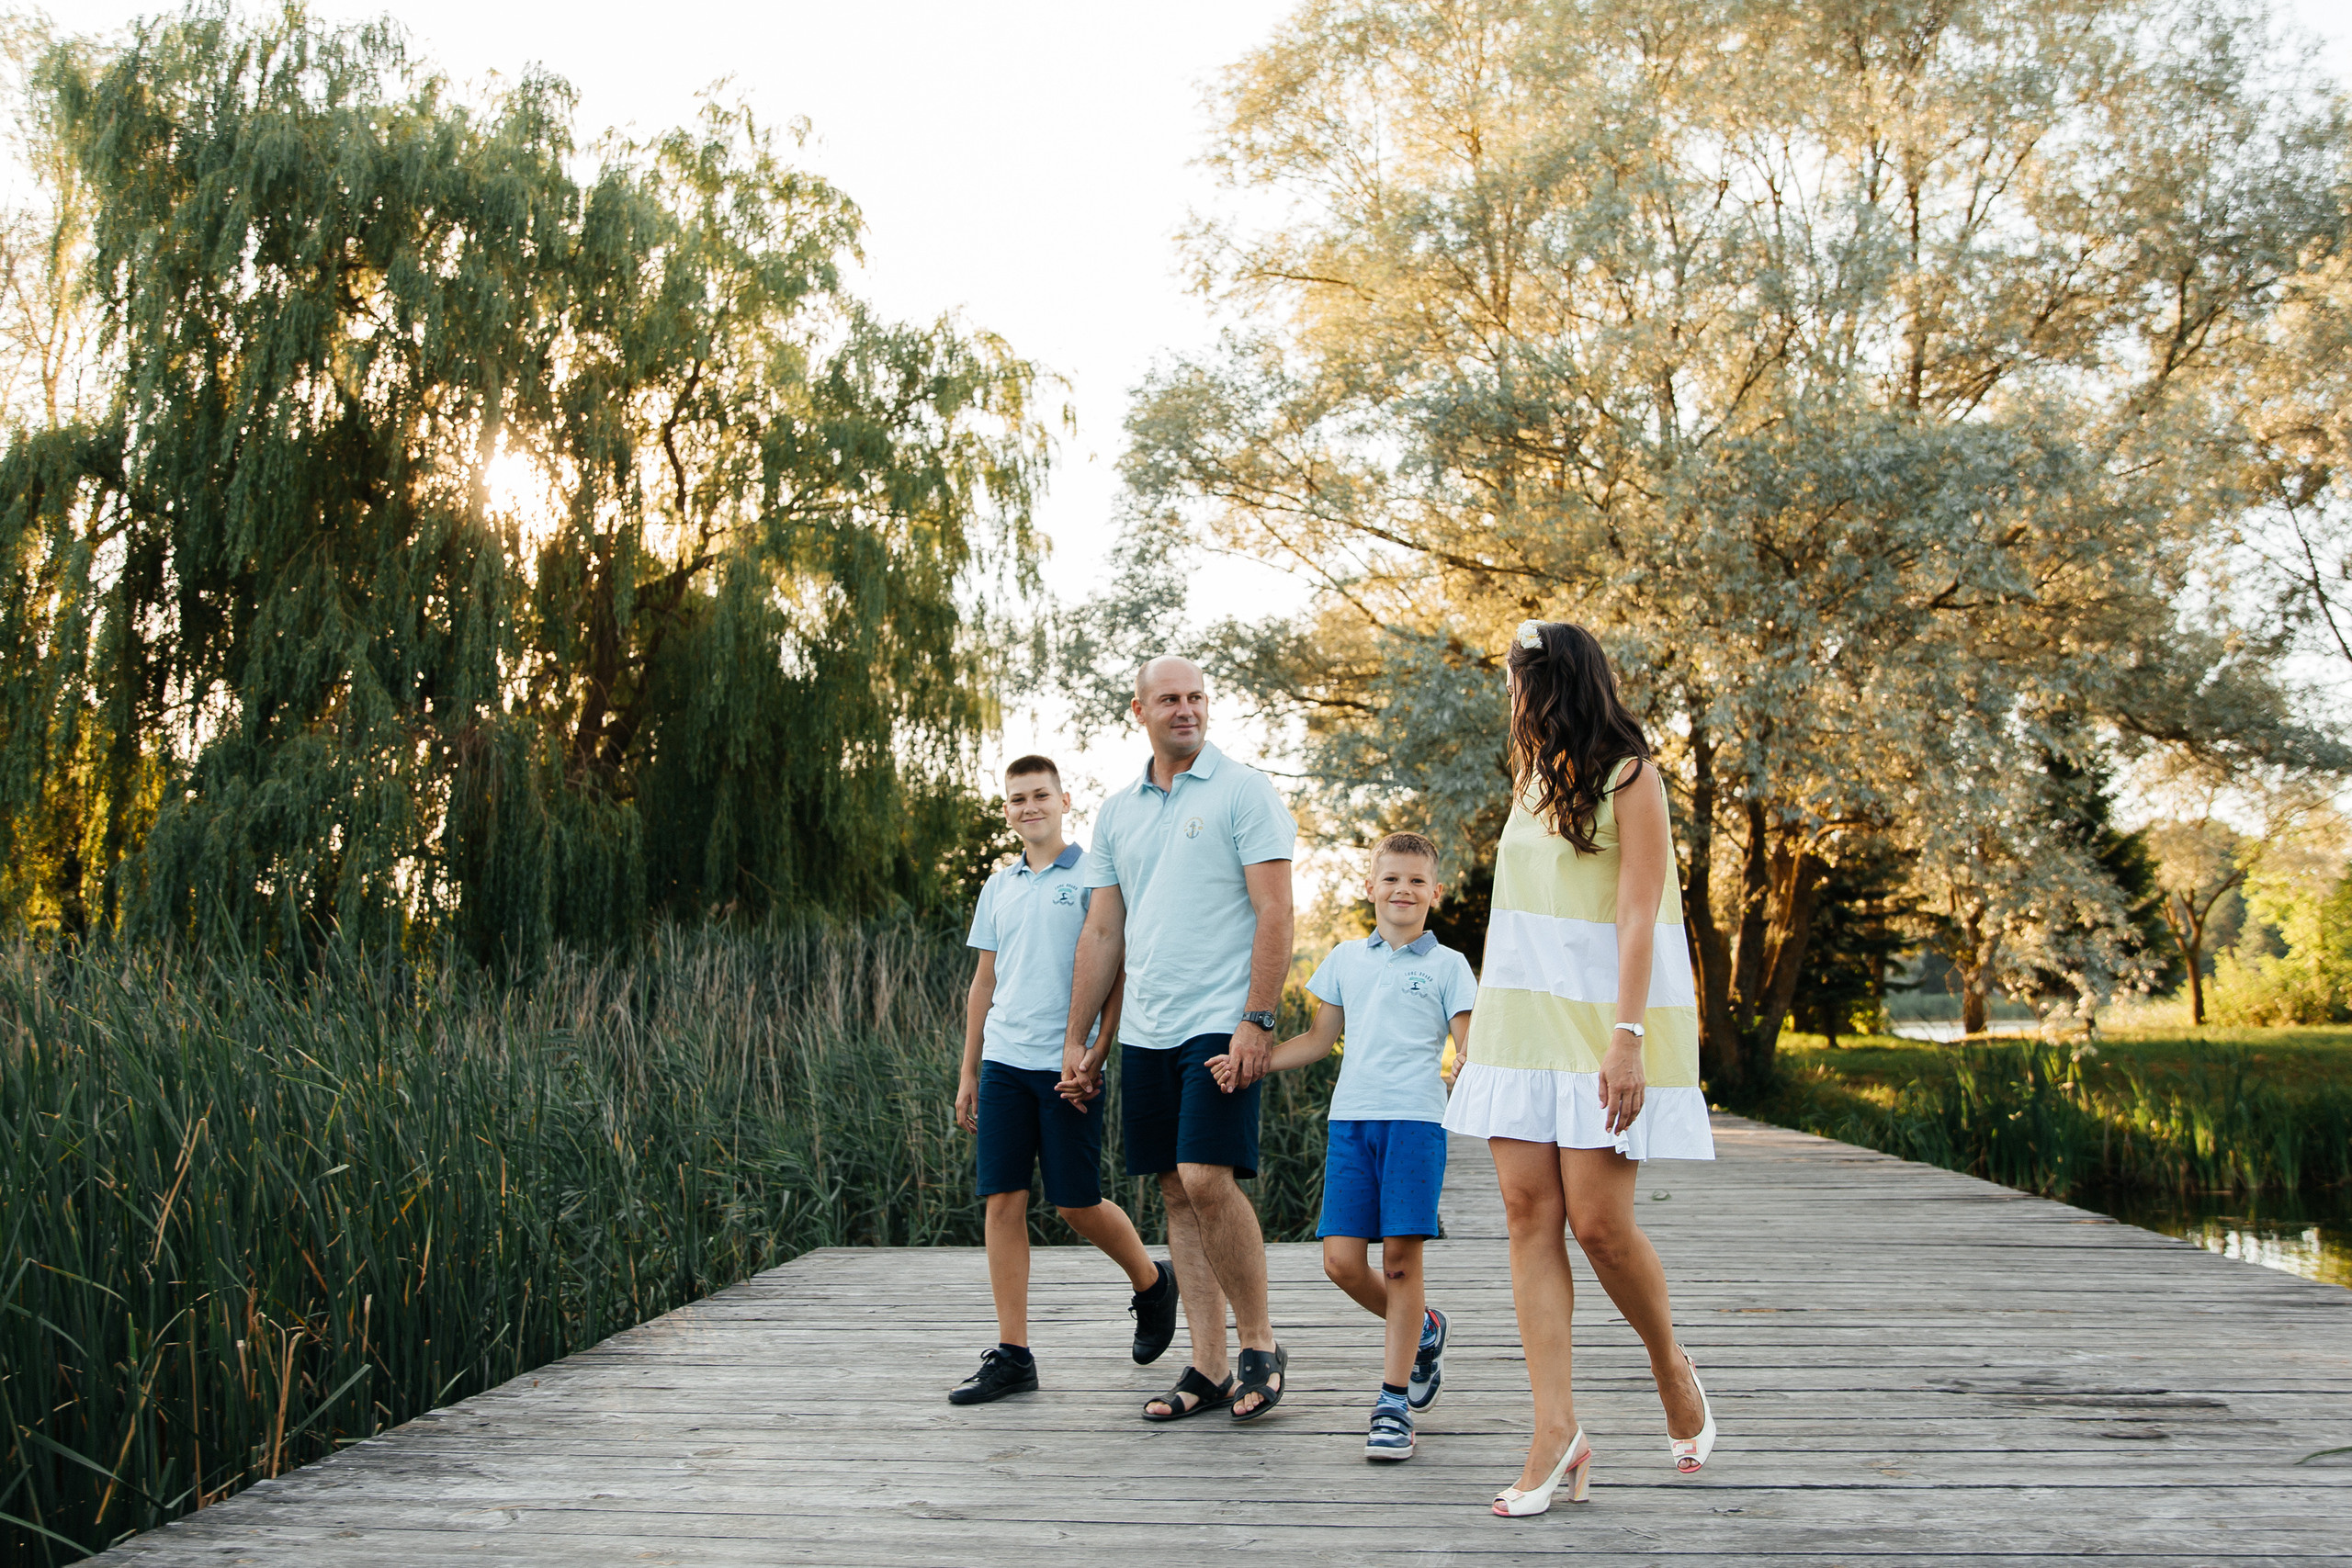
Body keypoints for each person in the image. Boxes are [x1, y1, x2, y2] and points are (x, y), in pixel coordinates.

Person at [1442, 620, 1717, 1517]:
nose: (1509, 698)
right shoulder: (1527, 780)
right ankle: (1554, 1431)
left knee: (1597, 1226)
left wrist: (1628, 1037)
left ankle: (1668, 1363)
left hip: (1603, 1025)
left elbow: (1639, 914)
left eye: (1516, 682)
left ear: (1550, 683)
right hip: (1520, 1024)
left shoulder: (1631, 776)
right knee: (1528, 1214)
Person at [1058, 656, 1297, 1424]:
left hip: (1220, 1021)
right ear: (1141, 711)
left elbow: (1276, 912)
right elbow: (1103, 928)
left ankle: (1260, 1344)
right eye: (1170, 698)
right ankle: (1208, 1365)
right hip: (1149, 1029)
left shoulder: (1244, 789)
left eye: (1197, 696)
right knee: (1172, 1186)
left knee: (1204, 1175)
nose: (1186, 708)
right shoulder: (1117, 810)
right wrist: (1083, 1037)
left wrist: (1258, 1019)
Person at [1208, 831, 1474, 1462]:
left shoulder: (1449, 965)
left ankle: (1392, 1402)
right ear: (1370, 887)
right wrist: (1257, 1062)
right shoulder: (1347, 959)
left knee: (1403, 1261)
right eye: (1391, 879)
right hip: (1350, 1124)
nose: (1402, 890)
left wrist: (1468, 1061)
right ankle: (1425, 1329)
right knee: (1341, 1264)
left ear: (1435, 892)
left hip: (1415, 1123)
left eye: (1415, 881)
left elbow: (1471, 1041)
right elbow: (1320, 1039)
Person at [948, 754, 1180, 1405]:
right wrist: (969, 1070)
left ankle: (1152, 1281)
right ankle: (1014, 1353)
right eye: (1017, 798)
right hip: (1002, 1063)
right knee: (1002, 1201)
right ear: (1006, 810)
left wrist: (1098, 1051)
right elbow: (983, 984)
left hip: (1065, 1066)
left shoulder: (1093, 878)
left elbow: (1116, 971)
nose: (1029, 807)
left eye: (1040, 795)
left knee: (1076, 1203)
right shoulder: (999, 886)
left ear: (1064, 799)